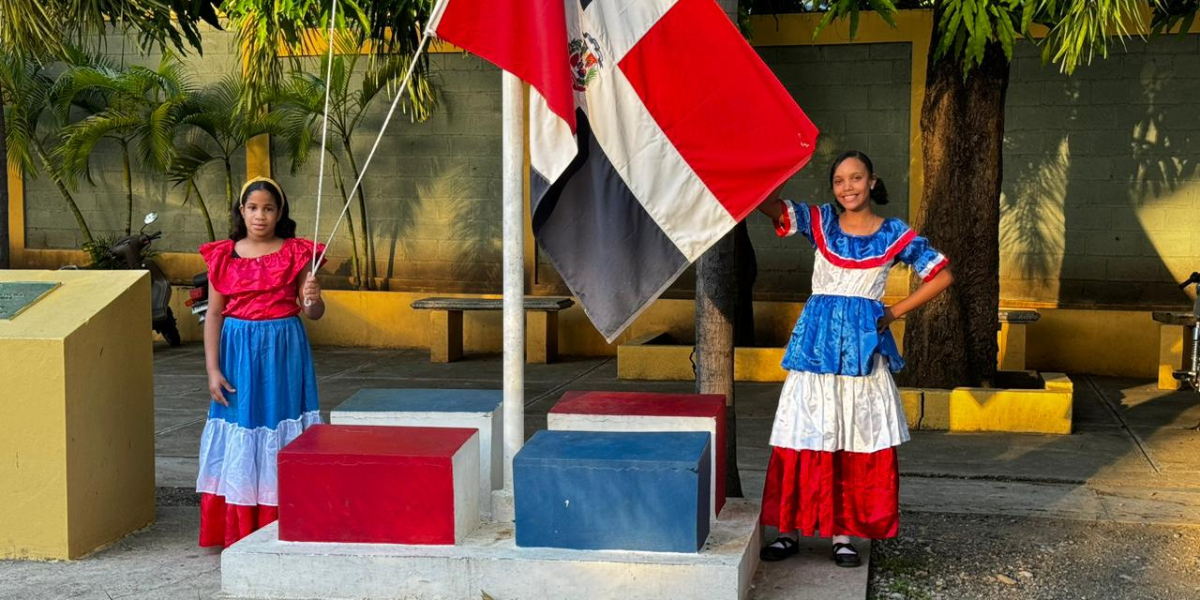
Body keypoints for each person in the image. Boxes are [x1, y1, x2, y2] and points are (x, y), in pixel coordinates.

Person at [756, 150, 953, 567]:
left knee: (853, 435)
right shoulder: (821, 221)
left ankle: (843, 536)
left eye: (856, 178)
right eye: (840, 180)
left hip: (863, 352)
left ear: (872, 181)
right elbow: (766, 204)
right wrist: (769, 165)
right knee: (804, 430)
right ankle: (788, 530)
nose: (848, 187)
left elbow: (942, 276)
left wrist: (895, 311)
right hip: (815, 349)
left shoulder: (894, 233)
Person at [196, 176, 327, 548]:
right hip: (237, 354)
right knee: (242, 425)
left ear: (279, 212)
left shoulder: (297, 252)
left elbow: (313, 312)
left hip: (284, 352)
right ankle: (238, 527)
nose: (260, 216)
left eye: (268, 208)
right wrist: (212, 369)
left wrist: (312, 297)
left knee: (279, 427)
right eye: (253, 208)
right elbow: (215, 314)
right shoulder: (223, 255)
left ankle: (285, 518)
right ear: (241, 211)